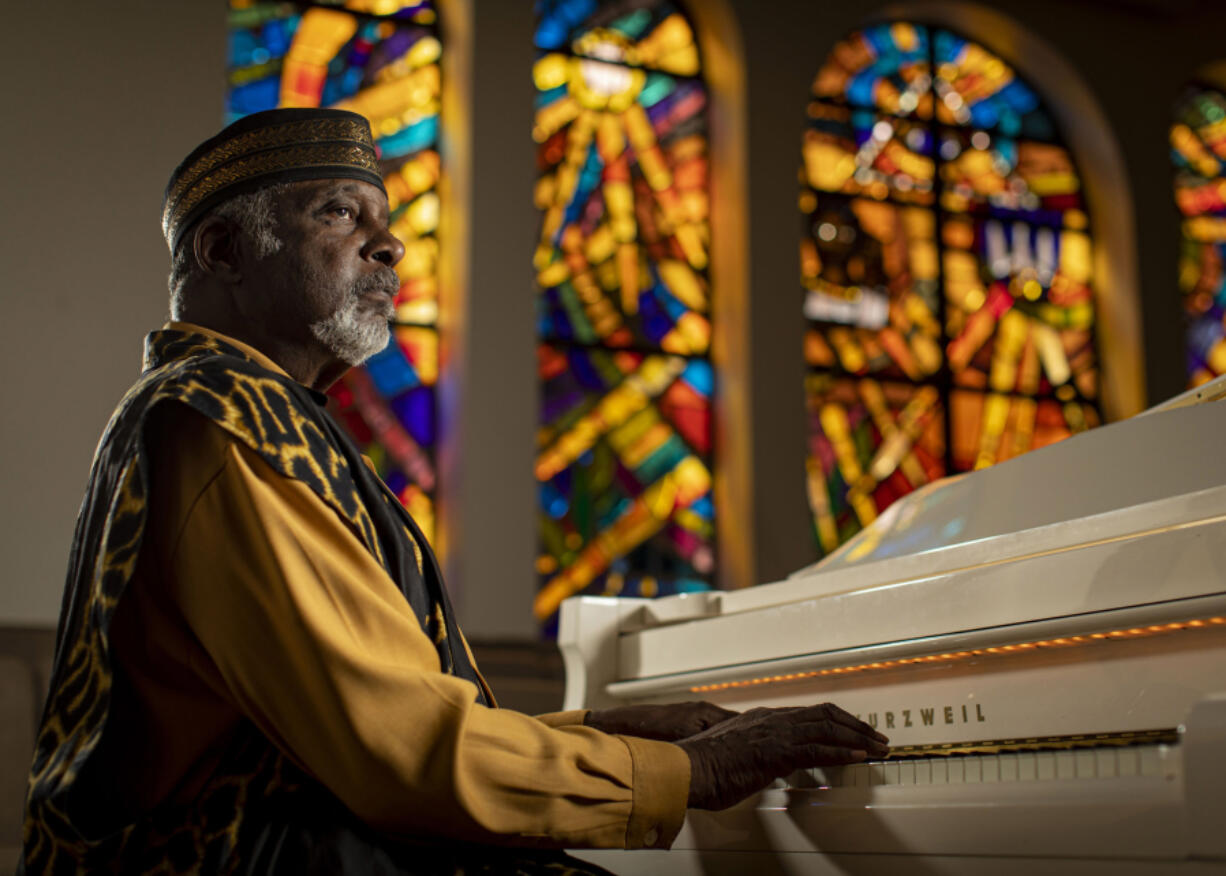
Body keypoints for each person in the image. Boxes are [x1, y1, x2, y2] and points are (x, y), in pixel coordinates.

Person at [22, 108, 889, 874]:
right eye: (337, 212)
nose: (388, 244)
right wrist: (690, 772)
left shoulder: (245, 411)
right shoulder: (219, 420)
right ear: (222, 250)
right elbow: (395, 757)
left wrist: (605, 735)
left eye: (386, 222)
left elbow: (366, 728)